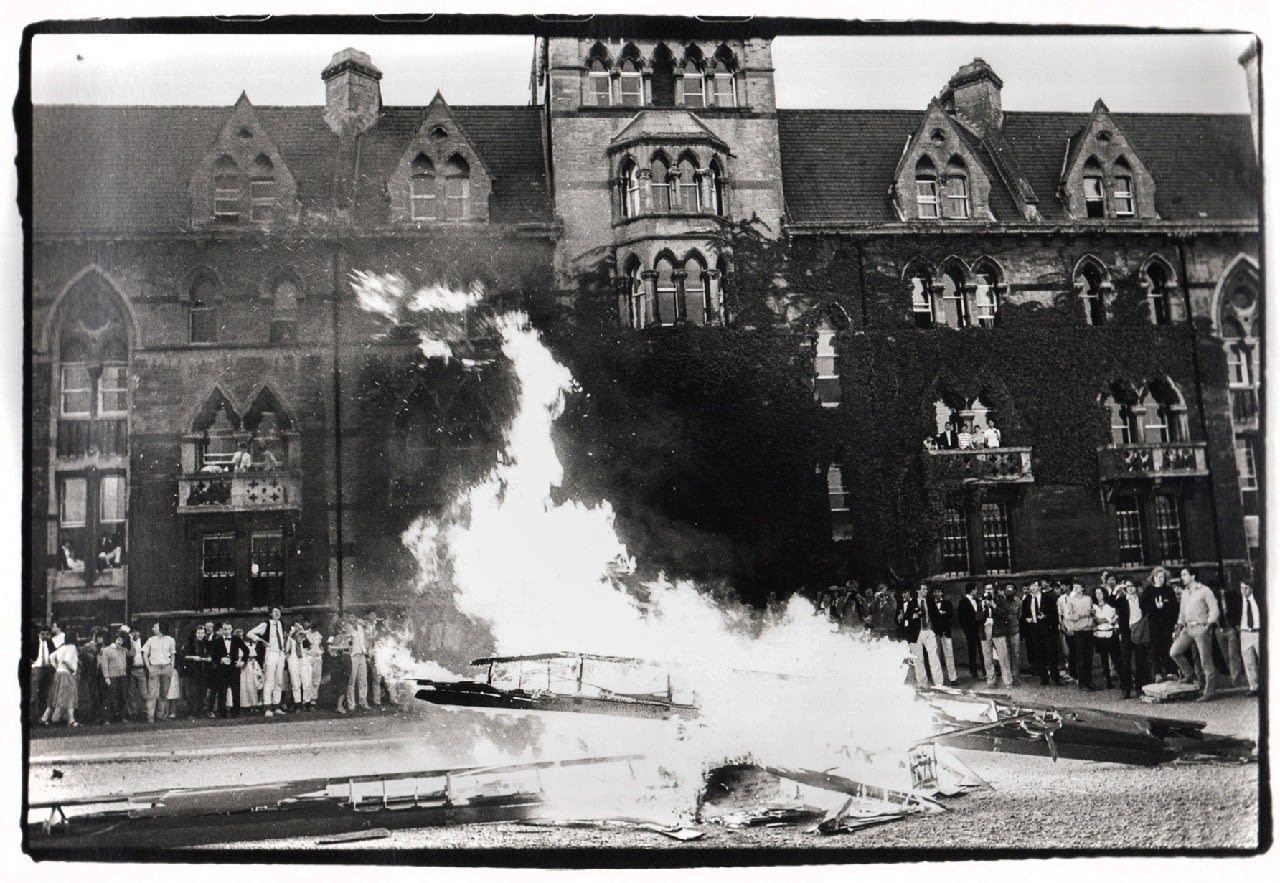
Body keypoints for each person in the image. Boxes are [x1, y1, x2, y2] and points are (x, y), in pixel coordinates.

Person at [1169, 569, 1220, 702]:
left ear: (1193, 576)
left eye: (1184, 575)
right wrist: (1179, 626)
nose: (1182, 577)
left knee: (1205, 660)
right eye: (1181, 575)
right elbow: (1182, 611)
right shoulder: (1185, 593)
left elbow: (1214, 609)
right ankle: (1189, 674)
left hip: (1200, 628)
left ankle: (1209, 691)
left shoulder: (1205, 590)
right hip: (1187, 628)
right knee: (1174, 652)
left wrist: (1208, 625)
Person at [248, 607, 290, 717]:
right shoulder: (265, 625)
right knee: (269, 680)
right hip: (271, 653)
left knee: (279, 680)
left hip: (280, 653)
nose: (277, 614)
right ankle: (267, 707)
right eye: (274, 612)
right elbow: (250, 634)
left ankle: (276, 706)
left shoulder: (282, 624)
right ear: (270, 614)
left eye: (279, 612)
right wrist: (261, 640)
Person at [1021, 581, 1061, 685]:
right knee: (1038, 653)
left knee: (1050, 653)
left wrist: (1046, 617)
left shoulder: (1047, 598)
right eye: (1031, 586)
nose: (1032, 588)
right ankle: (1044, 678)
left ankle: (1055, 678)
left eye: (1035, 586)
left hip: (1046, 628)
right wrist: (1027, 619)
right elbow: (1024, 614)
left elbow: (1054, 614)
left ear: (1039, 587)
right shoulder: (1027, 600)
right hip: (1034, 628)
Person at [1144, 566, 1179, 681]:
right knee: (1155, 647)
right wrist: (1156, 607)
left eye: (1162, 577)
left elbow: (1174, 608)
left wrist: (1165, 609)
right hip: (1154, 624)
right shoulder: (1148, 590)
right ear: (1153, 577)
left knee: (1167, 646)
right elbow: (1144, 607)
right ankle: (1157, 672)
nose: (1160, 579)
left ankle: (1171, 671)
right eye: (1158, 577)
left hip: (1166, 624)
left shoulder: (1168, 591)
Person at [42, 630, 80, 726]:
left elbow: (51, 657)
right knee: (70, 697)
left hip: (58, 673)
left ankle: (44, 717)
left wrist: (56, 667)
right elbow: (67, 660)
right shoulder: (72, 647)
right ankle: (71, 719)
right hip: (67, 674)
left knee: (55, 696)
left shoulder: (62, 647)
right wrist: (73, 669)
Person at [141, 622, 177, 722]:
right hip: (154, 668)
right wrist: (148, 666)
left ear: (160, 628)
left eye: (155, 627)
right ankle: (150, 717)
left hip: (166, 667)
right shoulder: (151, 640)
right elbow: (144, 653)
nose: (153, 628)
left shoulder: (170, 640)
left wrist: (171, 666)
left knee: (164, 693)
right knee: (152, 693)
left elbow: (173, 654)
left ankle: (160, 715)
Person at [1063, 580, 1095, 690]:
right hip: (1078, 630)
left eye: (1078, 587)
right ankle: (1082, 682)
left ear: (1083, 588)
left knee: (1089, 657)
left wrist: (1090, 615)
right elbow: (1069, 616)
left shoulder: (1088, 599)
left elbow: (1092, 612)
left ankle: (1089, 681)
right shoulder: (1071, 601)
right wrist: (1081, 616)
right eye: (1074, 587)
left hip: (1088, 629)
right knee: (1080, 656)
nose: (1076, 589)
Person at [210, 622, 247, 718]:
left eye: (229, 629)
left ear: (231, 629)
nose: (227, 631)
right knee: (222, 691)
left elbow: (246, 650)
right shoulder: (217, 641)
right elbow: (213, 656)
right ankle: (222, 713)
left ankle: (236, 712)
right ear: (222, 630)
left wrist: (242, 662)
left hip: (234, 668)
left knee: (236, 691)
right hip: (222, 669)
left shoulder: (236, 639)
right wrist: (220, 660)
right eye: (225, 629)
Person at [1213, 581, 1245, 687]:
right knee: (1226, 655)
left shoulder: (1231, 597)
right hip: (1220, 629)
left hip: (1229, 628)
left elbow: (1236, 610)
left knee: (1233, 655)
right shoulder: (1213, 601)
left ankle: (1235, 680)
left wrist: (1236, 625)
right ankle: (1233, 677)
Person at [982, 584, 1014, 688]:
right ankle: (991, 681)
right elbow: (977, 617)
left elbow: (1005, 614)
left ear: (994, 590)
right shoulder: (981, 600)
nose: (989, 591)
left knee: (1003, 656)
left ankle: (1008, 681)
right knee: (987, 658)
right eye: (987, 589)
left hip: (998, 630)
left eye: (990, 589)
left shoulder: (1000, 599)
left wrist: (993, 605)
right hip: (985, 630)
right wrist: (983, 608)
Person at [927, 585, 959, 685]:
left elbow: (949, 617)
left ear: (942, 593)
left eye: (939, 592)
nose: (937, 594)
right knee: (935, 656)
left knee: (949, 655)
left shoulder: (947, 603)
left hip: (946, 632)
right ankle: (938, 680)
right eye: (935, 592)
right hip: (935, 633)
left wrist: (944, 627)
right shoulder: (930, 604)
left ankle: (953, 678)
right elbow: (932, 618)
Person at [1092, 587, 1120, 690]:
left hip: (1110, 634)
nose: (1098, 595)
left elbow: (1111, 619)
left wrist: (1100, 620)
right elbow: (1094, 620)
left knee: (1115, 658)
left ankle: (1123, 680)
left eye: (1100, 593)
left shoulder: (1110, 606)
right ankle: (1108, 681)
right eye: (1096, 593)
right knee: (1103, 659)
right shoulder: (1093, 606)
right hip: (1099, 634)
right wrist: (1100, 620)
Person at [1237, 581, 1262, 697]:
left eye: (1246, 588)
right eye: (1242, 588)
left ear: (1251, 588)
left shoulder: (1259, 599)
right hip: (1245, 632)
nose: (1243, 591)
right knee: (1248, 662)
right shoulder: (1238, 601)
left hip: (1258, 632)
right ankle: (1254, 686)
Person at [98, 632, 129, 723]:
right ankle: (107, 718)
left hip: (122, 676)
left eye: (122, 640)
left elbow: (132, 652)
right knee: (110, 697)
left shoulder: (123, 650)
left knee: (122, 697)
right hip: (112, 676)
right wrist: (106, 677)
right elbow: (104, 664)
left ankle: (121, 716)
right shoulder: (107, 650)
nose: (120, 642)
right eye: (118, 640)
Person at [957, 583, 986, 681]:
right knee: (972, 651)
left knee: (983, 650)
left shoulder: (978, 601)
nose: (976, 592)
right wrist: (967, 631)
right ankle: (973, 672)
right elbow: (961, 619)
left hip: (980, 630)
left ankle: (985, 671)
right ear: (972, 590)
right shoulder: (962, 602)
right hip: (970, 631)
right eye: (976, 590)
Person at [183, 624, 211, 719]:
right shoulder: (190, 643)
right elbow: (184, 656)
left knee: (202, 693)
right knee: (192, 693)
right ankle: (191, 713)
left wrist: (209, 659)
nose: (200, 635)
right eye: (199, 633)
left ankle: (200, 712)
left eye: (202, 633)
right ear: (195, 633)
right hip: (193, 671)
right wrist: (193, 658)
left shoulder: (207, 643)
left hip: (204, 671)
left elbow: (211, 656)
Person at [77, 630, 104, 725]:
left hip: (97, 675)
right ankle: (90, 716)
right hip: (89, 675)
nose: (101, 639)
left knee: (96, 696)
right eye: (99, 636)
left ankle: (96, 716)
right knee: (90, 696)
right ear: (94, 636)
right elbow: (89, 659)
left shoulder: (99, 647)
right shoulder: (89, 647)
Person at [284, 622, 312, 711]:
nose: (297, 628)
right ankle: (298, 704)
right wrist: (290, 635)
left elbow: (310, 644)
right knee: (295, 683)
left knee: (306, 682)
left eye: (298, 626)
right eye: (295, 627)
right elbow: (287, 648)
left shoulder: (304, 636)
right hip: (294, 659)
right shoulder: (291, 638)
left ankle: (307, 702)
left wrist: (303, 632)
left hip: (303, 659)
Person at [30, 627, 55, 725]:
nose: (45, 636)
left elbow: (54, 653)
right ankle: (32, 717)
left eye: (47, 634)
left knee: (45, 694)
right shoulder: (34, 642)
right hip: (37, 667)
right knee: (34, 694)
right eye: (43, 634)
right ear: (39, 634)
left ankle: (43, 717)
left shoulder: (50, 643)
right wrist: (33, 661)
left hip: (47, 668)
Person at [346, 615, 371, 710]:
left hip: (362, 655)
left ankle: (363, 701)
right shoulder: (348, 627)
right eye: (350, 617)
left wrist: (366, 651)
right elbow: (348, 640)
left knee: (363, 679)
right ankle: (351, 703)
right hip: (353, 656)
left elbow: (365, 639)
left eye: (354, 617)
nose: (352, 619)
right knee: (352, 680)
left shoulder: (361, 627)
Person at [239, 629, 263, 713]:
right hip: (242, 667)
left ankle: (254, 704)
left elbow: (252, 656)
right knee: (244, 686)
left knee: (253, 685)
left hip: (250, 666)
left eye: (241, 635)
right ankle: (244, 705)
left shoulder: (248, 645)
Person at [304, 619, 324, 711]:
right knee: (308, 680)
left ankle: (313, 701)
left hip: (318, 658)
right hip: (308, 658)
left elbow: (320, 646)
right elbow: (309, 644)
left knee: (316, 680)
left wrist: (321, 651)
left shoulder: (318, 635)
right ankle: (306, 701)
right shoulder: (305, 634)